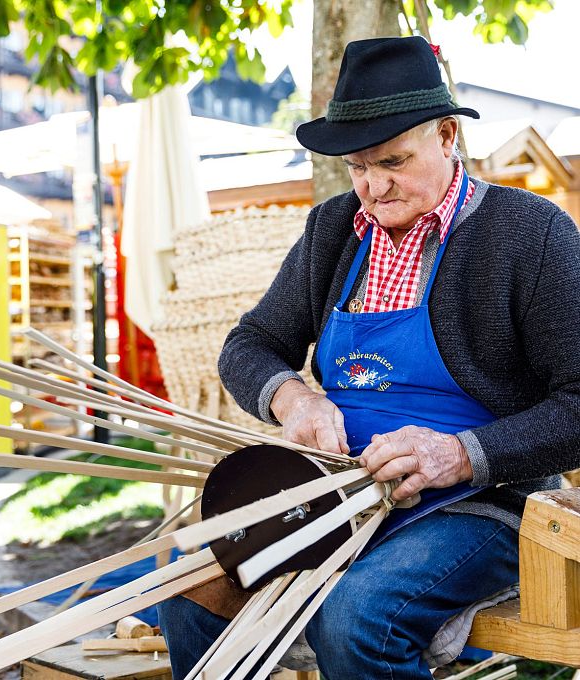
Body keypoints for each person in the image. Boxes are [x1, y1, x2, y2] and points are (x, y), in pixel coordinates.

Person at [158, 36, 580, 679]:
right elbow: (249, 345)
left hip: (480, 499)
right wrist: (291, 396)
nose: (373, 187)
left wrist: (459, 452)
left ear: (446, 135)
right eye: (357, 166)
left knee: (359, 618)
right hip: (335, 494)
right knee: (194, 593)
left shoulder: (531, 232)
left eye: (393, 161)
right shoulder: (332, 230)